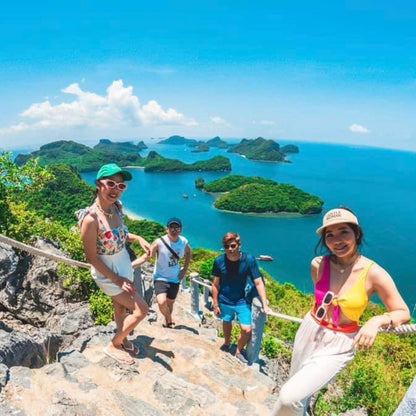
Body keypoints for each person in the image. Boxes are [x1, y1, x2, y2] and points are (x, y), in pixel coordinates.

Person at [271, 207, 410, 416]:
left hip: (340, 344)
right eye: (330, 235)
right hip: (309, 330)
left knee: (288, 397)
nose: (337, 240)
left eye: (344, 231)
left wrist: (376, 321)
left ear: (357, 234)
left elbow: (402, 311)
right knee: (297, 392)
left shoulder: (374, 273)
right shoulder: (318, 264)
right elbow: (320, 302)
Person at [77, 163, 150, 365]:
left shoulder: (116, 208)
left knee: (120, 306)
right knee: (141, 310)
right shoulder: (91, 219)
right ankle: (114, 344)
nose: (115, 189)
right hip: (107, 272)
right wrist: (117, 280)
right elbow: (92, 258)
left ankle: (123, 338)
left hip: (123, 263)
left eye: (121, 186)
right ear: (99, 184)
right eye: (111, 184)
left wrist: (137, 238)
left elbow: (121, 235)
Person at [211, 232, 271, 364]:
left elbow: (258, 282)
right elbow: (215, 284)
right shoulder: (219, 261)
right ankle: (226, 343)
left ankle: (238, 350)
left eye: (233, 245)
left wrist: (265, 305)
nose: (230, 249)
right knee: (227, 321)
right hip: (224, 300)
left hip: (242, 300)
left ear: (239, 245)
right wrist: (215, 304)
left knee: (247, 329)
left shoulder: (248, 260)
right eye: (226, 246)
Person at [150, 217, 192, 328]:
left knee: (170, 303)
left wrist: (185, 269)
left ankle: (166, 321)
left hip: (175, 278)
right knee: (161, 302)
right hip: (160, 277)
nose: (174, 230)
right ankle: (169, 319)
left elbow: (189, 252)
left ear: (180, 229)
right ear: (167, 229)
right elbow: (149, 254)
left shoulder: (183, 242)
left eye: (176, 227)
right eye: (171, 227)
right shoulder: (159, 242)